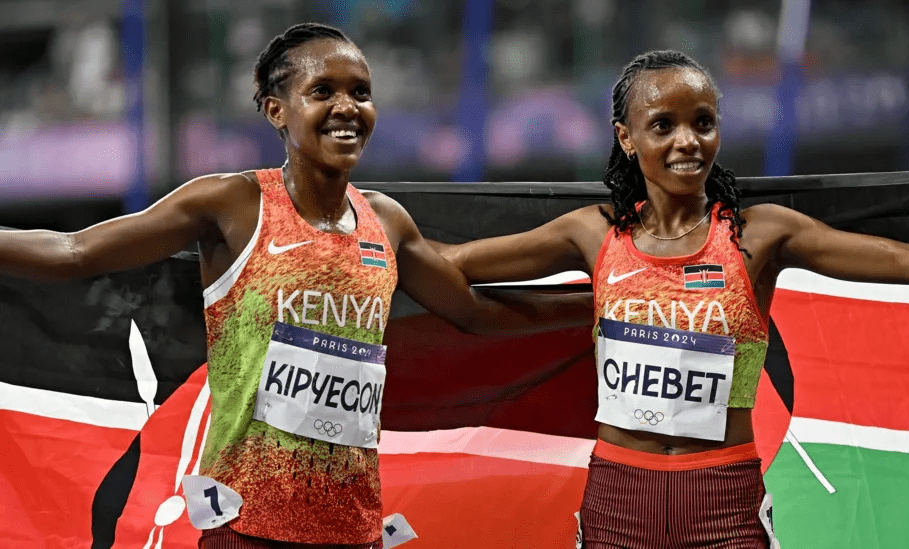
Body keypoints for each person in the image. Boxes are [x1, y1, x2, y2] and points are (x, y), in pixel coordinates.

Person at [0, 23, 591, 549]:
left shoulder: (385, 221)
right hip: (244, 525)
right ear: (276, 110)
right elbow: (74, 252)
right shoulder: (232, 204)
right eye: (322, 91)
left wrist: (603, 306)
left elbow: (474, 311)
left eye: (360, 92)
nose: (347, 107)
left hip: (353, 528)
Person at [433, 49, 909, 549]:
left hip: (724, 504)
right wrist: (378, 218)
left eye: (703, 122)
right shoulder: (593, 234)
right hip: (619, 503)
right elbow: (450, 263)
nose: (688, 140)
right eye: (663, 125)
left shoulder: (759, 235)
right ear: (626, 137)